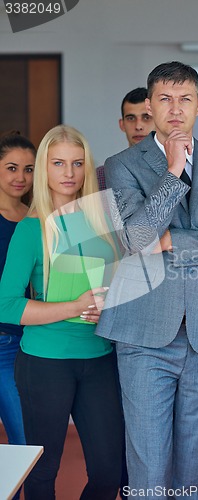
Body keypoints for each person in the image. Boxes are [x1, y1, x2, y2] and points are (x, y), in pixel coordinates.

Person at [96, 61, 198, 498]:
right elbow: (137, 237)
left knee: (193, 467)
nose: (175, 109)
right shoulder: (122, 164)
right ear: (149, 105)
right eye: (164, 99)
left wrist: (174, 242)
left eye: (185, 99)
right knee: (148, 465)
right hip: (144, 334)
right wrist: (171, 174)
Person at [0, 125, 124, 500]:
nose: (69, 173)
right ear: (45, 169)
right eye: (58, 163)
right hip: (44, 362)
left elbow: (119, 286)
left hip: (100, 359)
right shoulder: (31, 228)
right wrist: (74, 306)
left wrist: (110, 308)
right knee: (42, 474)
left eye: (77, 163)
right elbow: (6, 305)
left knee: (109, 473)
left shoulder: (103, 224)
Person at [0, 132, 35, 499]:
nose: (20, 177)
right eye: (11, 168)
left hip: (15, 346)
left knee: (25, 444)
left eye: (28, 169)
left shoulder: (37, 219)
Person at [97, 87, 155, 190]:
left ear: (158, 121)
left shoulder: (175, 170)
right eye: (131, 118)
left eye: (146, 117)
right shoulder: (102, 175)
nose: (138, 126)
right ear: (122, 124)